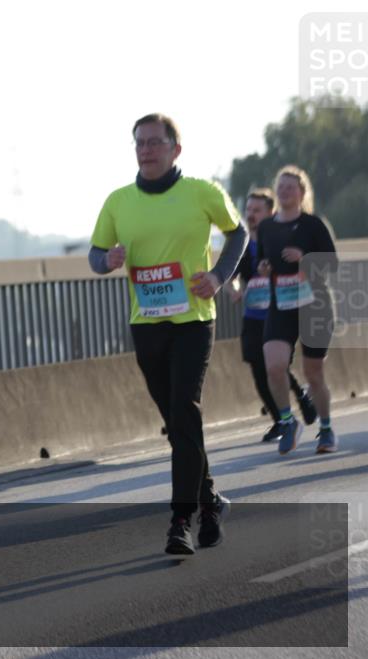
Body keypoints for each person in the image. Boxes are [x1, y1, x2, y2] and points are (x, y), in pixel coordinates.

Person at [88, 113, 248, 556]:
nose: (146, 150)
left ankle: (181, 521)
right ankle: (210, 501)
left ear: (176, 149)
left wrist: (217, 276)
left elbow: (238, 234)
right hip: (146, 324)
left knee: (184, 410)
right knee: (178, 422)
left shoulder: (202, 192)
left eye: (155, 142)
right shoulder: (119, 201)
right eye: (140, 143)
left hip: (193, 320)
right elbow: (96, 254)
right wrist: (107, 261)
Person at [257, 165, 339, 455]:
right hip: (282, 305)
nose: (284, 191)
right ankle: (287, 421)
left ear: (302, 193)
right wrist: (263, 267)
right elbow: (263, 261)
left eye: (290, 187)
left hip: (315, 305)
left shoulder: (314, 224)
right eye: (280, 186)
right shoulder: (266, 227)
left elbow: (331, 265)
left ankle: (326, 429)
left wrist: (304, 258)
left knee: (313, 373)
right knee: (273, 366)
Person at [224, 188, 316, 442]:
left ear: (271, 212)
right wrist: (234, 291)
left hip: (280, 312)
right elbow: (229, 275)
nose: (250, 215)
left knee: (275, 366)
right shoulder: (241, 245)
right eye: (248, 210)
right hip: (253, 315)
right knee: (257, 369)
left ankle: (300, 396)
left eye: (257, 210)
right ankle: (281, 420)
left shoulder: (281, 239)